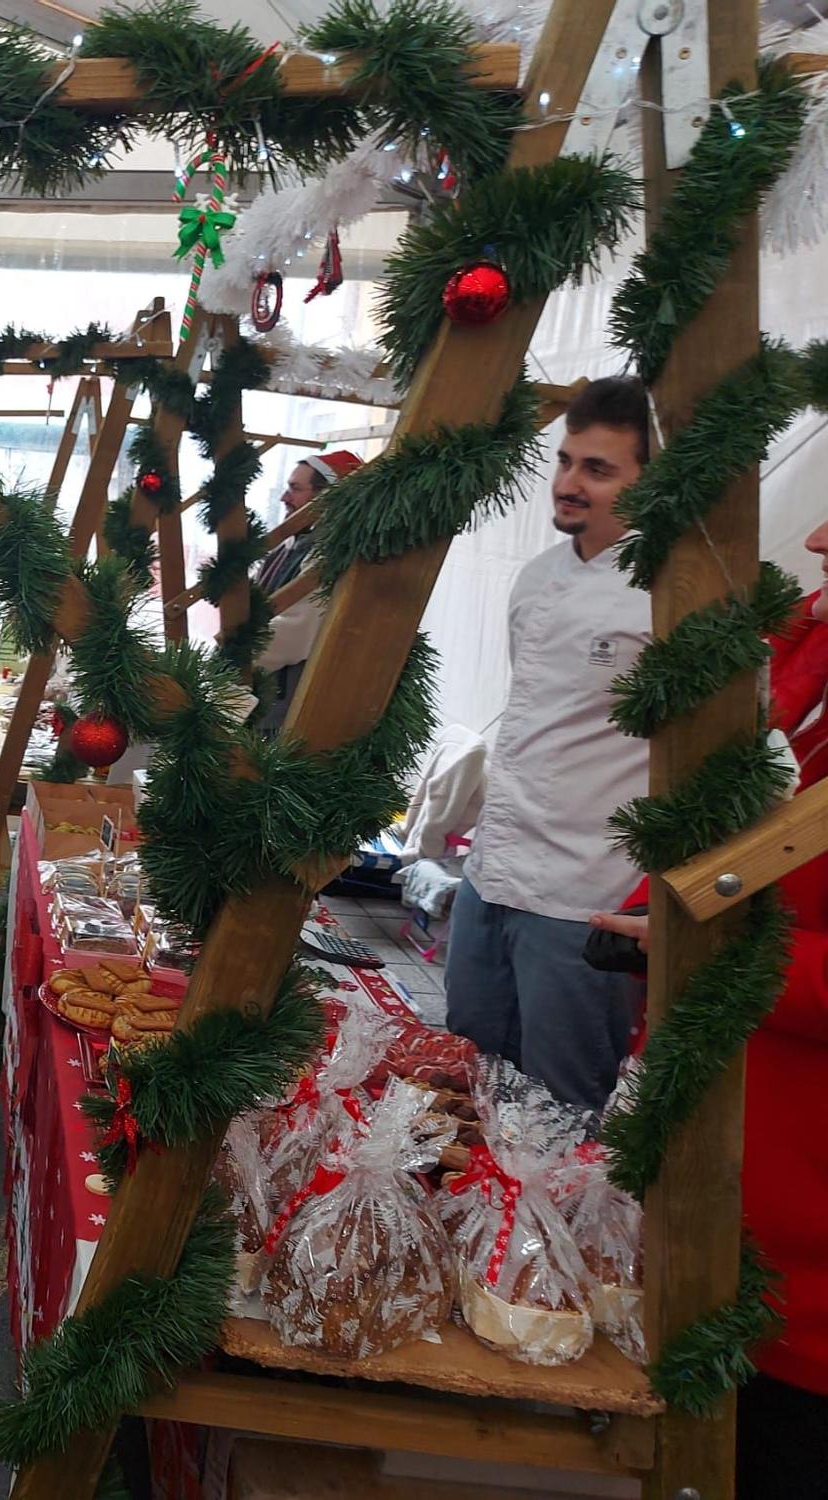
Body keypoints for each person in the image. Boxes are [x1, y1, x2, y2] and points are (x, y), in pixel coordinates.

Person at [589, 515, 828, 1499]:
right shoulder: (807, 677)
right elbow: (734, 813)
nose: (814, 542)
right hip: (719, 1195)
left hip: (802, 1262)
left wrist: (716, 954)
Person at [445, 376, 653, 1110]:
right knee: (466, 1078)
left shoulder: (674, 590)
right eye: (566, 462)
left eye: (598, 470)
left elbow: (736, 759)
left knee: (561, 1107)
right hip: (491, 873)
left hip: (585, 894)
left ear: (648, 480)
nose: (569, 484)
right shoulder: (537, 576)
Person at [255, 450, 362, 734]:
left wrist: (237, 652)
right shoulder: (290, 544)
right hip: (262, 690)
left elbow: (295, 632)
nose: (284, 498)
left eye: (295, 489)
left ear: (326, 498)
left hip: (284, 700)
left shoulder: (326, 553)